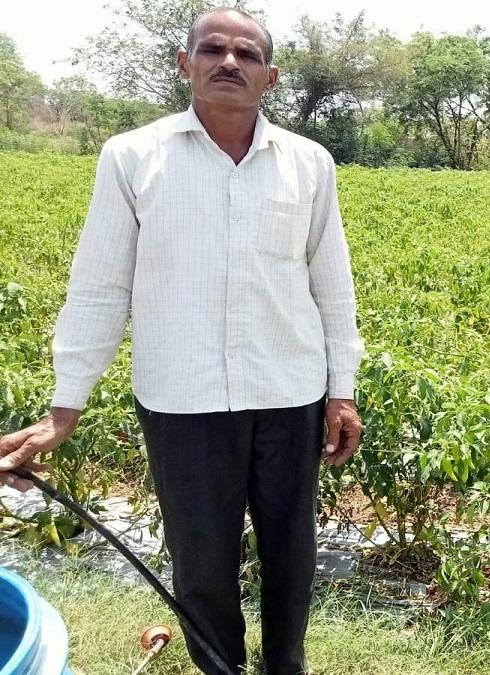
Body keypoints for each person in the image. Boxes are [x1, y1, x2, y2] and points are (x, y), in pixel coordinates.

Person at [0, 7, 364, 674]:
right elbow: (100, 286)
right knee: (200, 562)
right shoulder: (133, 157)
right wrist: (63, 408)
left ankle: (286, 665)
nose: (229, 62)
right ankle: (221, 668)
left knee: (291, 553)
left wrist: (341, 391)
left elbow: (332, 284)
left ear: (270, 77)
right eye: (213, 49)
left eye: (247, 54)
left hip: (289, 393)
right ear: (184, 64)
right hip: (181, 399)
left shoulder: (309, 163)